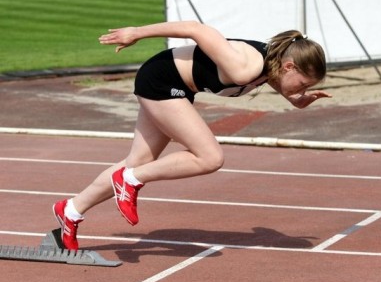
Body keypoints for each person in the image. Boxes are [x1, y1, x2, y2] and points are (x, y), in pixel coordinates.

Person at [52, 20, 332, 250]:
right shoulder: (244, 66)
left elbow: (275, 80)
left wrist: (293, 98)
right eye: (302, 84)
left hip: (174, 85)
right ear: (289, 67)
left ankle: (71, 210)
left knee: (138, 159)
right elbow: (196, 29)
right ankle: (130, 181)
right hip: (161, 81)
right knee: (210, 157)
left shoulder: (271, 64)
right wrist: (137, 33)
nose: (301, 89)